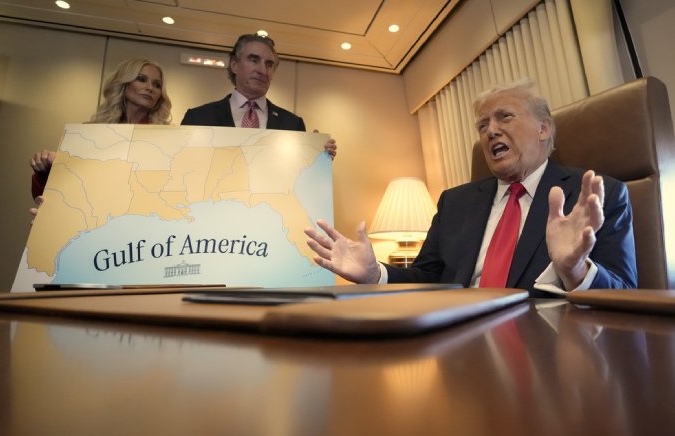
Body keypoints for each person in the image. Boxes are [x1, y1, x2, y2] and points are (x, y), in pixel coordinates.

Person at [304, 80, 637, 297]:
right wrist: (375, 274)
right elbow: (429, 278)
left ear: (543, 129)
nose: (491, 131)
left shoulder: (596, 196)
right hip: (456, 348)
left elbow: (625, 293)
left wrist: (576, 271)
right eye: (483, 125)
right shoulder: (455, 202)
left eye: (505, 117)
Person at [29, 57, 172, 201]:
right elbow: (54, 194)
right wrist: (44, 171)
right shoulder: (89, 133)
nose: (150, 88)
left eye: (157, 85)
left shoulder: (166, 140)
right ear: (124, 84)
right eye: (141, 79)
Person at [181, 33, 336, 157]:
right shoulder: (197, 118)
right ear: (234, 65)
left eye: (269, 64)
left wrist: (317, 156)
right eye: (254, 60)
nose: (262, 70)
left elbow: (300, 174)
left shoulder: (293, 125)